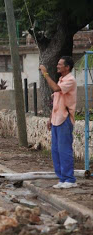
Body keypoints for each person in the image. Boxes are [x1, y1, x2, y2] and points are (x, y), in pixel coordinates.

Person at [39, 57, 77, 189]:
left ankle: (70, 179)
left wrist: (45, 73)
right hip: (56, 119)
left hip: (64, 119)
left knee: (64, 149)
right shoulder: (61, 80)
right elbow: (56, 102)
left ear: (67, 67)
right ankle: (62, 178)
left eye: (60, 64)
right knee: (55, 150)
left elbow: (55, 89)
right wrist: (50, 119)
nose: (57, 66)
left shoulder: (70, 80)